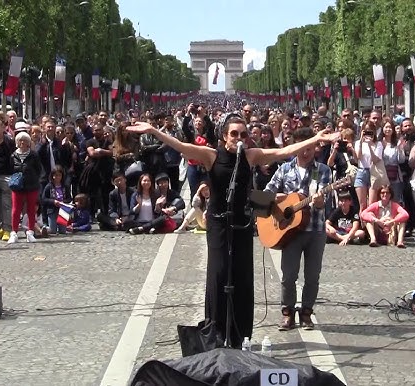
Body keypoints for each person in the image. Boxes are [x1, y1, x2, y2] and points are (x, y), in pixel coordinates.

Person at [126, 116, 338, 347]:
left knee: (241, 274)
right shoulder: (211, 155)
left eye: (243, 134)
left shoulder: (251, 155)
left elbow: (284, 152)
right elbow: (181, 146)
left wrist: (316, 138)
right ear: (224, 136)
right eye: (234, 134)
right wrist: (154, 130)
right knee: (218, 273)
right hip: (218, 222)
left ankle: (240, 333)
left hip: (243, 223)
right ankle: (216, 331)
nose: (239, 138)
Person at [264, 127, 332, 331]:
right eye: (302, 147)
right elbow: (267, 192)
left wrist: (319, 202)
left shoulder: (322, 170)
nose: (306, 151)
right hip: (289, 232)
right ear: (295, 147)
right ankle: (287, 312)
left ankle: (307, 313)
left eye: (310, 147)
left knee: (312, 275)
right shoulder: (284, 169)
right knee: (288, 275)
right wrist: (274, 200)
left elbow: (323, 201)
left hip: (315, 230)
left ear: (315, 148)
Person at [7, 131, 42, 244]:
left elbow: (38, 169)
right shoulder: (13, 156)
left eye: (25, 140)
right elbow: (10, 169)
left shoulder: (33, 155)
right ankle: (14, 232)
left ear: (28, 143)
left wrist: (32, 178)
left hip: (31, 185)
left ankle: (30, 231)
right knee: (16, 210)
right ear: (17, 142)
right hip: (17, 186)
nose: (22, 142)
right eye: (20, 140)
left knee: (31, 209)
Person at [41, 165, 72, 234]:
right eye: (55, 175)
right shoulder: (49, 186)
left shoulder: (65, 186)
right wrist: (53, 201)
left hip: (63, 211)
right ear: (52, 176)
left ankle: (66, 226)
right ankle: (44, 228)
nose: (57, 177)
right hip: (52, 210)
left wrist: (63, 202)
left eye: (59, 175)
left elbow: (69, 198)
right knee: (53, 231)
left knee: (62, 231)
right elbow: (43, 199)